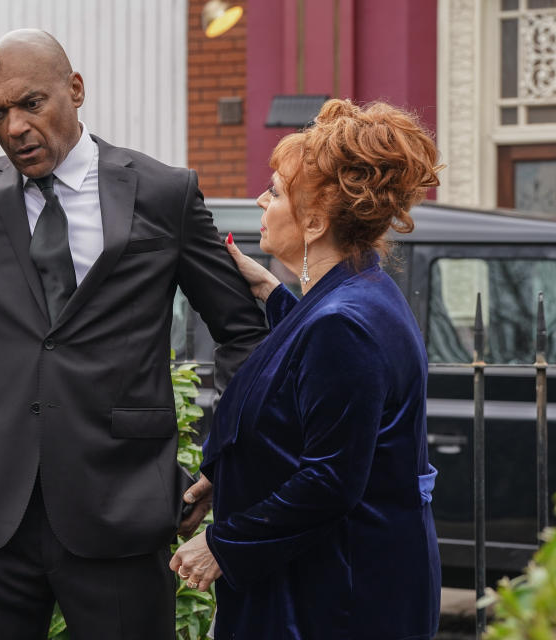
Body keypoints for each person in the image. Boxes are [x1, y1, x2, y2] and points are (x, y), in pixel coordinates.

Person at [0, 29, 267, 640]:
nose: (15, 126)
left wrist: (224, 455)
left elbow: (242, 331)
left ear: (75, 90)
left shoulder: (163, 193)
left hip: (120, 502)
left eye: (31, 103)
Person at [170, 98, 443, 639]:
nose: (259, 200)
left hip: (336, 597)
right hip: (339, 579)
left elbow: (331, 480)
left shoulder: (345, 322)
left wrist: (225, 545)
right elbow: (308, 374)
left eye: (274, 191)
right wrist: (270, 291)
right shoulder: (359, 291)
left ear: (315, 221)